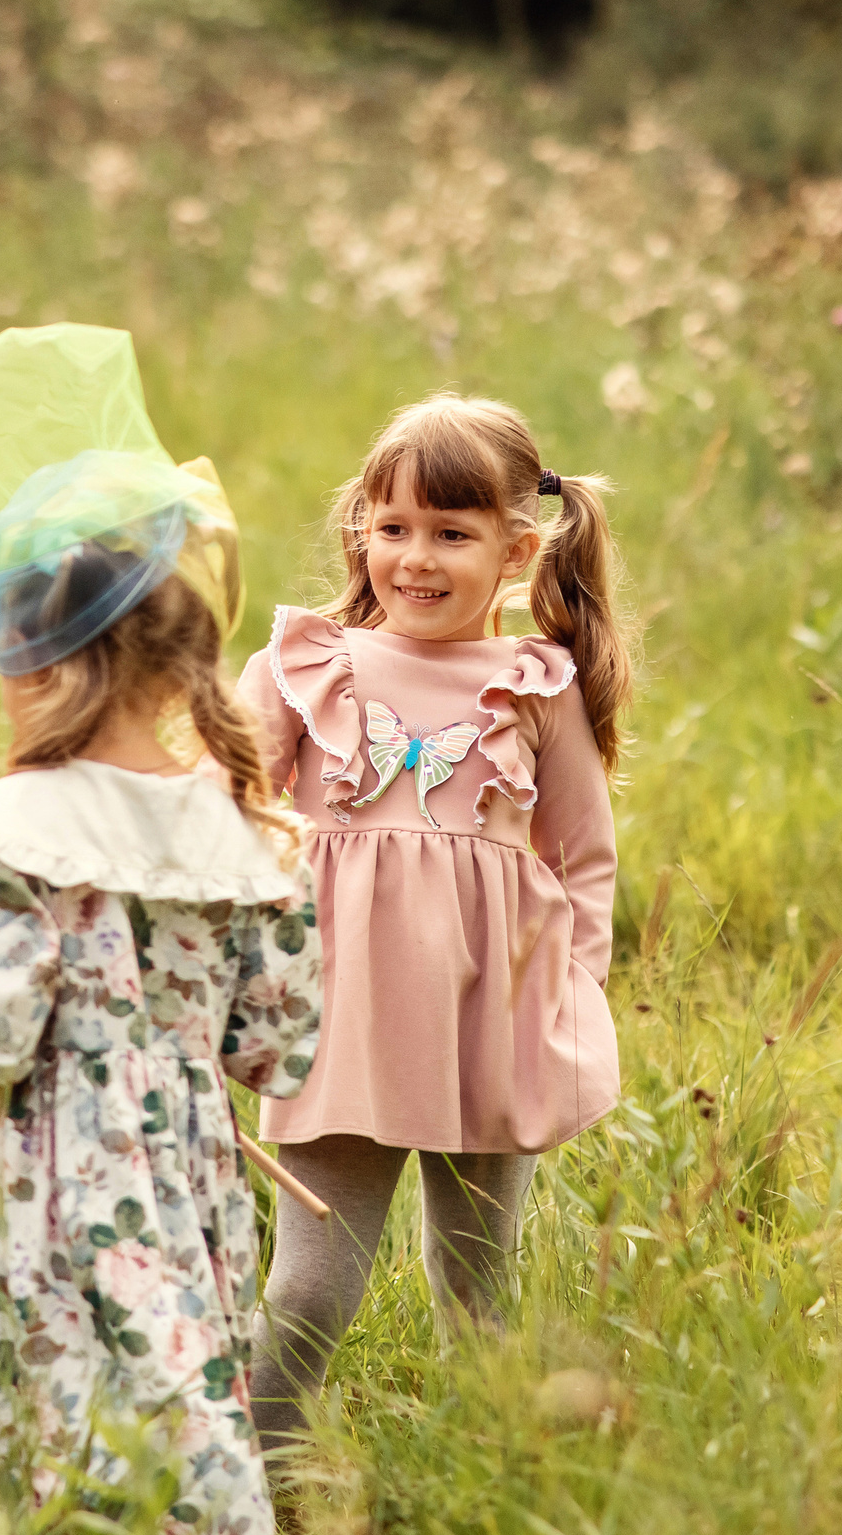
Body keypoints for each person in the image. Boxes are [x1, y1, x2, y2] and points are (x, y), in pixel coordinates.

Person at [0, 326, 323, 1535]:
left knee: (28, 1364)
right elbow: (277, 1046)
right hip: (179, 1168)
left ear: (39, 671)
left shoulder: (3, 830)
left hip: (34, 1171)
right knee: (162, 1349)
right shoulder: (249, 835)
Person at [236, 392, 629, 1455]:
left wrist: (570, 996)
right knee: (310, 1292)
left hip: (491, 1026)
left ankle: (478, 1497)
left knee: (478, 1299)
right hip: (336, 1024)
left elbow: (584, 858)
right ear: (360, 527)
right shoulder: (303, 668)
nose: (415, 557)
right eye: (392, 526)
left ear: (515, 547)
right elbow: (222, 819)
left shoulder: (537, 686)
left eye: (450, 534)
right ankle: (241, 1493)